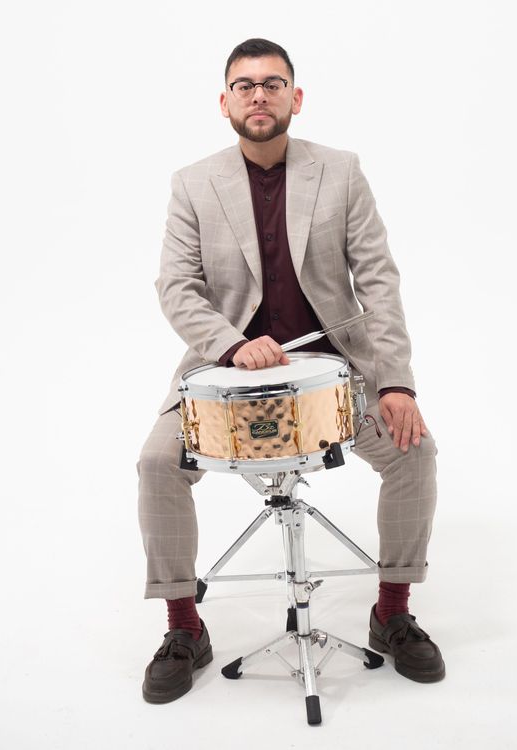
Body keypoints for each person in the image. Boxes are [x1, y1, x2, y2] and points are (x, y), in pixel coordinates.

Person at [137, 38, 444, 704]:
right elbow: (176, 287)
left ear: (295, 98)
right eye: (244, 85)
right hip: (221, 374)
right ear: (225, 102)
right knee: (158, 464)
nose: (259, 94)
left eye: (272, 83)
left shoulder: (341, 171)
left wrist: (396, 383)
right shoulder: (193, 182)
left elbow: (379, 281)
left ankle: (392, 611)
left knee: (414, 453)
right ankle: (184, 627)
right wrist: (230, 345)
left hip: (336, 376)